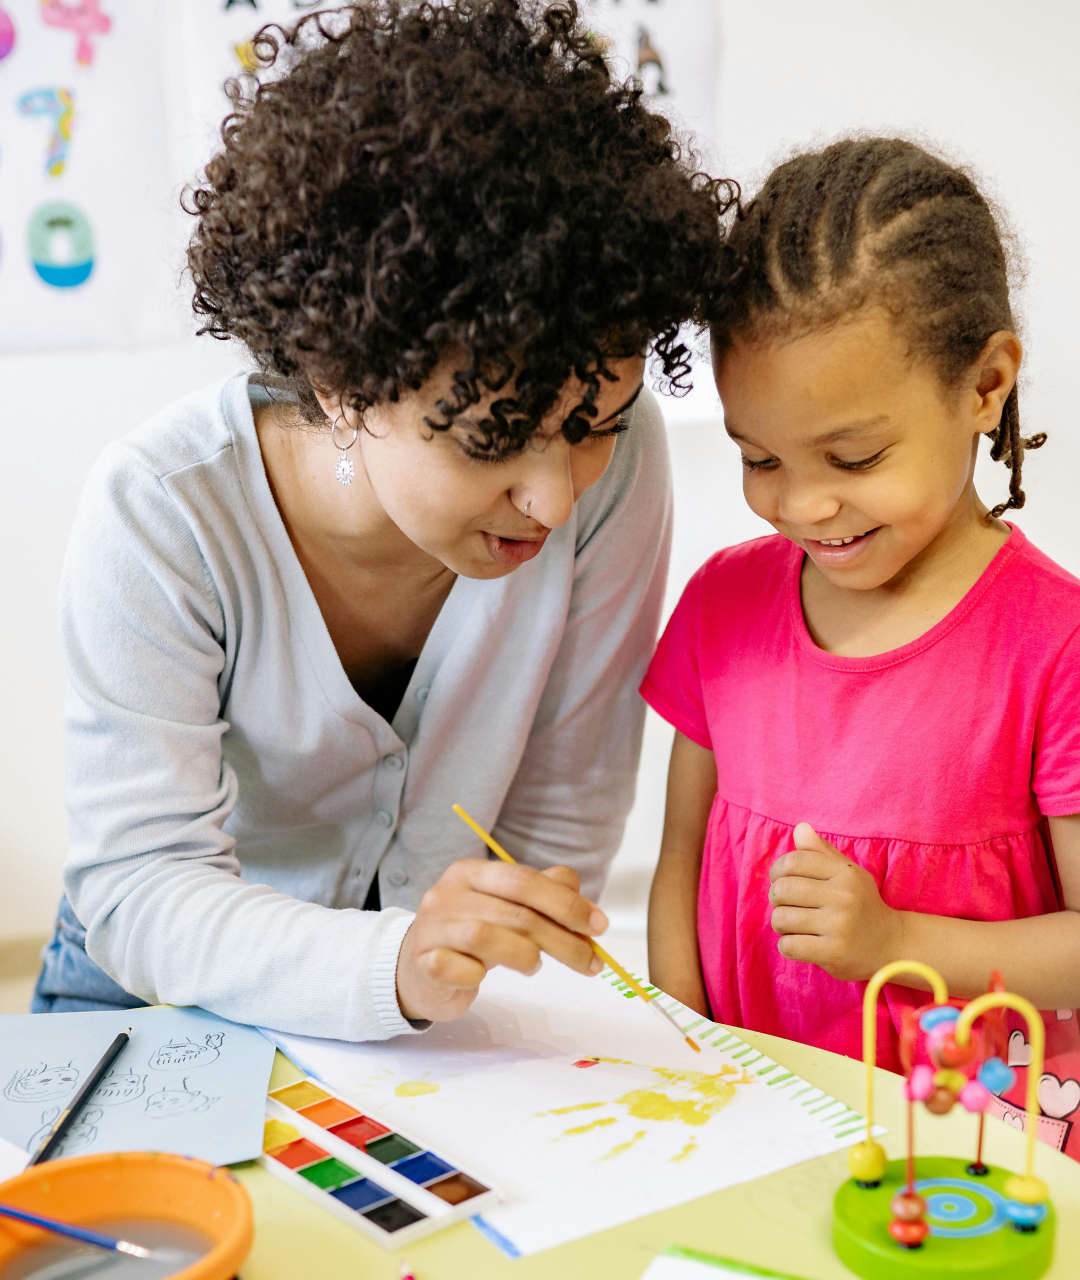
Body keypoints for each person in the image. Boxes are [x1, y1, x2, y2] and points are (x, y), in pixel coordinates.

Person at [33, 0, 733, 1040]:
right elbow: (142, 890)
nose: (555, 497)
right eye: (493, 438)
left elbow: (555, 834)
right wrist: (392, 965)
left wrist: (464, 954)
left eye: (591, 422)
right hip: (159, 986)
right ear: (342, 380)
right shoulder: (165, 512)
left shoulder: (621, 467)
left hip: (435, 999)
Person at [644, 137, 1080, 1160]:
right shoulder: (723, 607)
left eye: (853, 456)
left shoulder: (1054, 647)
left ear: (986, 386)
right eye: (759, 457)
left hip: (970, 1161)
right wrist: (682, 1044)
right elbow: (676, 864)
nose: (803, 502)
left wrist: (898, 944)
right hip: (753, 1126)